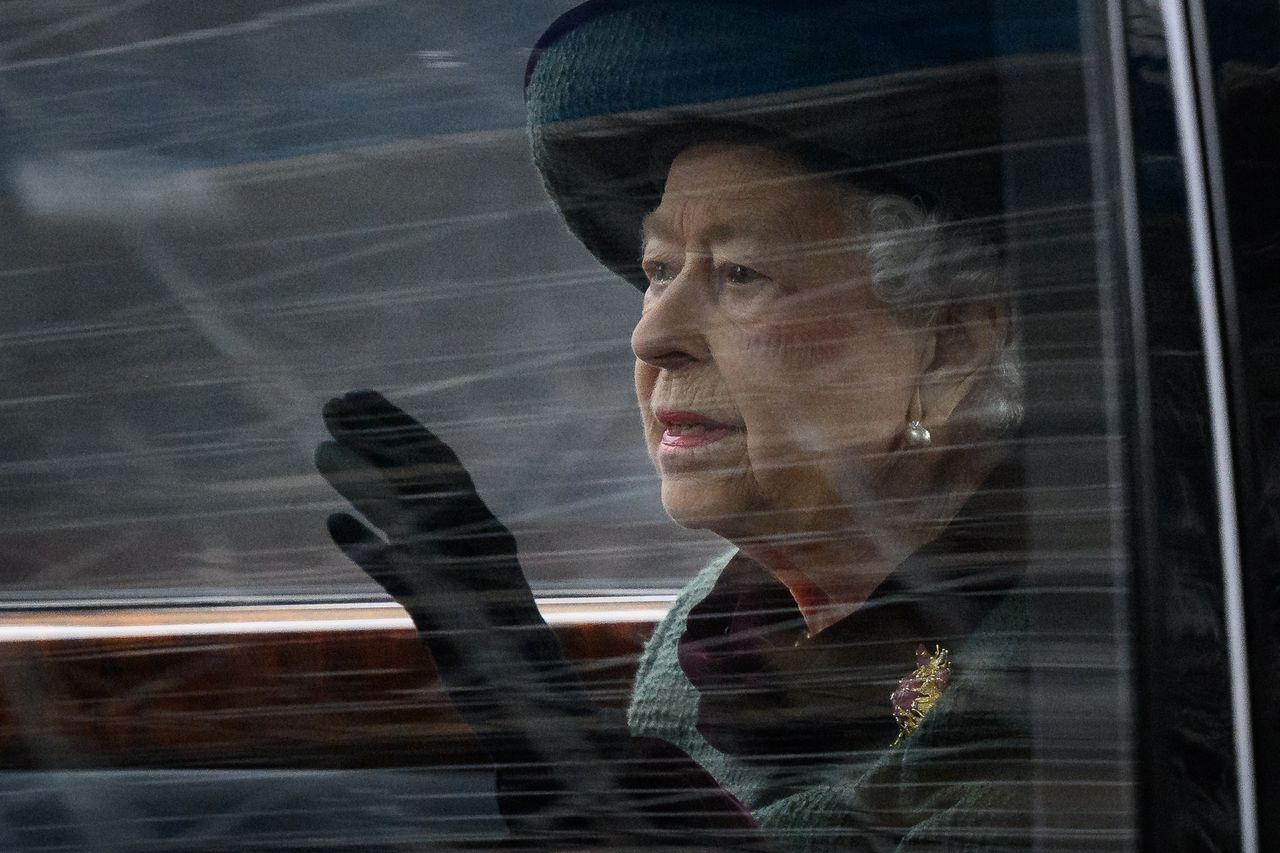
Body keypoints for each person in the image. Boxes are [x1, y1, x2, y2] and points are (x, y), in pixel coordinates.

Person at [316, 0, 1082, 848]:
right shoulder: (708, 632)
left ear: (949, 345)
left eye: (741, 272)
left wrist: (565, 747)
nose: (653, 335)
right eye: (658, 270)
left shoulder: (1060, 667)